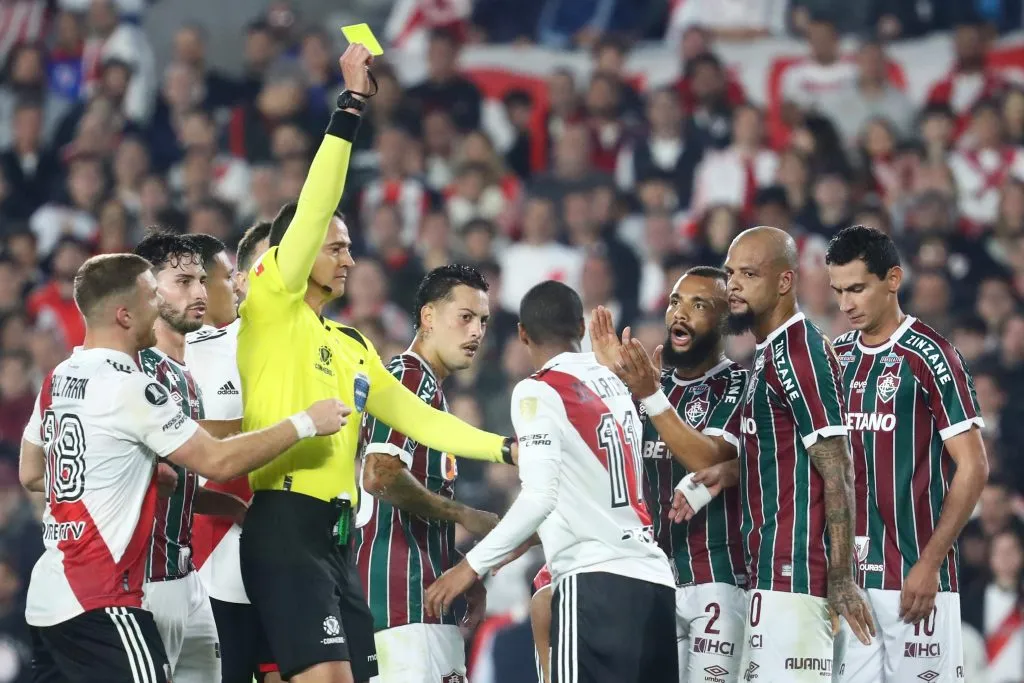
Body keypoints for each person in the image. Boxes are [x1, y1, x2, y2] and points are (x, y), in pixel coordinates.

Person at [236, 45, 515, 683]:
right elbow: (316, 200)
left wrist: (502, 449)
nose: (350, 259)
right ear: (295, 253)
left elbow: (419, 419)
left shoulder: (354, 345)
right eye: (337, 247)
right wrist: (351, 108)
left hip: (337, 539)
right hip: (283, 523)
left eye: (352, 247)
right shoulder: (273, 304)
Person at [18, 253, 348, 683]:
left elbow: (32, 472)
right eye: (151, 295)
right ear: (124, 314)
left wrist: (131, 477)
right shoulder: (131, 387)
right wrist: (305, 422)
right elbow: (217, 460)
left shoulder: (60, 376)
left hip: (51, 593)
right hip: (101, 597)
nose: (159, 305)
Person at [424, 280, 679, 683]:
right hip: (656, 587)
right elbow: (582, 494)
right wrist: (508, 548)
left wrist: (470, 567)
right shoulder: (621, 383)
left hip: (595, 585)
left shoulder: (538, 390)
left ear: (522, 334)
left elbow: (541, 495)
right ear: (581, 326)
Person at [673, 227, 874, 682]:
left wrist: (840, 578)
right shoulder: (768, 353)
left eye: (749, 273)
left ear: (785, 282)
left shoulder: (800, 350)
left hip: (799, 577)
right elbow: (787, 451)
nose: (734, 286)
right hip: (769, 574)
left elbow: (839, 467)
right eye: (730, 274)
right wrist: (732, 469)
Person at [826, 225, 987, 683]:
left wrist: (931, 562)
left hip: (915, 579)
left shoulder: (932, 355)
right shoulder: (834, 359)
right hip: (850, 584)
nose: (845, 305)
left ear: (892, 279)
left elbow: (974, 467)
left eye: (857, 288)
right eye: (838, 291)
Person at [590, 267, 749, 683]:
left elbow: (707, 458)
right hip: (653, 581)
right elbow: (604, 468)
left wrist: (648, 395)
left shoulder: (739, 384)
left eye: (700, 305)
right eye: (676, 301)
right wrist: (611, 385)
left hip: (716, 579)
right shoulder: (651, 387)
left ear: (725, 320)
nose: (681, 314)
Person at [356, 264, 501, 682]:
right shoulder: (408, 376)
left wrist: (456, 565)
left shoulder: (433, 391)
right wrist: (462, 515)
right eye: (465, 317)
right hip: (398, 603)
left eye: (484, 321)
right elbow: (379, 475)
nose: (476, 332)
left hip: (426, 598)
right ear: (428, 317)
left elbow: (410, 510)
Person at [134, 231, 250, 683]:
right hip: (140, 581)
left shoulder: (183, 375)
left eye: (202, 279)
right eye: (183, 281)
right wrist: (299, 424)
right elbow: (212, 461)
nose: (200, 292)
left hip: (185, 575)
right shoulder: (137, 369)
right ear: (147, 290)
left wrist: (233, 506)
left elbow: (178, 477)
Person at [184, 227, 273, 683]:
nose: (237, 285)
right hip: (203, 550)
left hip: (269, 539)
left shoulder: (259, 338)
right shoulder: (170, 356)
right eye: (227, 276)